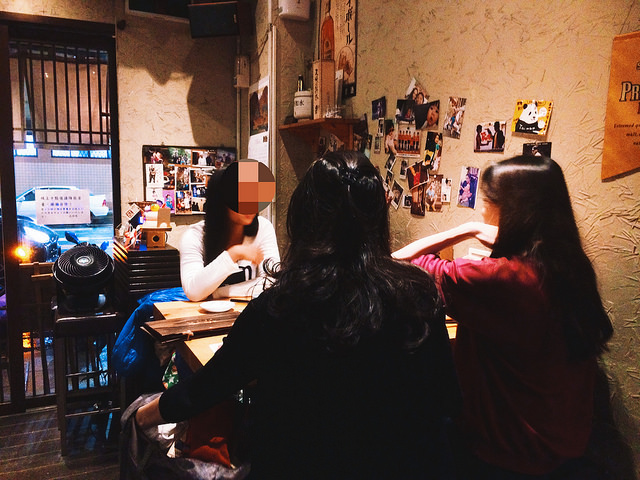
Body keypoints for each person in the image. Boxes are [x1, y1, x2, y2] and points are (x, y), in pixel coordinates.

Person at [135, 151, 461, 479]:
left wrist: (142, 415)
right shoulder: (419, 294)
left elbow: (210, 385)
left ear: (304, 218)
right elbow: (447, 399)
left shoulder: (278, 307)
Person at [393, 155, 613, 480]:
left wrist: (467, 230)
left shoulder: (503, 278)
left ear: (512, 211)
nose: (482, 211)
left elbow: (400, 263)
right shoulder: (570, 266)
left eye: (487, 201)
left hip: (509, 450)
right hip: (565, 445)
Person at [179, 166, 280, 301]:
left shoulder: (263, 228)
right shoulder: (194, 236)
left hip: (249, 312)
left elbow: (272, 282)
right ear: (220, 202)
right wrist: (233, 254)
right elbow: (193, 291)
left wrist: (218, 293)